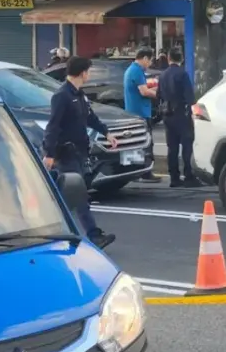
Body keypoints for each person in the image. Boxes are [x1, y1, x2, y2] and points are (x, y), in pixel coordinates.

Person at [43, 56, 118, 248]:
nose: (89, 74)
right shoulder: (62, 96)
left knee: (63, 196)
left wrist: (107, 133)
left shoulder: (79, 94)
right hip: (66, 153)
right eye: (89, 71)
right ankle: (94, 236)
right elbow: (53, 126)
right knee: (80, 195)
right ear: (83, 72)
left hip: (79, 152)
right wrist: (49, 154)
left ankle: (47, 228)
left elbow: (90, 118)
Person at [158, 49, 201, 188]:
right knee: (187, 146)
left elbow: (158, 94)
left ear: (169, 58)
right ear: (181, 59)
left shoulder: (162, 75)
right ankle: (188, 176)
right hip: (181, 114)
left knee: (172, 147)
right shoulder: (182, 74)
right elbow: (190, 97)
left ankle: (174, 178)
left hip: (167, 114)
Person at [123, 48, 161, 183]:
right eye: (150, 60)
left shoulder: (131, 70)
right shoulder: (137, 71)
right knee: (145, 143)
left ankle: (135, 172)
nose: (150, 63)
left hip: (134, 112)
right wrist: (159, 94)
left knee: (135, 143)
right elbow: (144, 92)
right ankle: (145, 173)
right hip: (140, 113)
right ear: (144, 58)